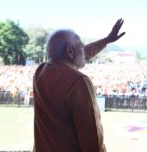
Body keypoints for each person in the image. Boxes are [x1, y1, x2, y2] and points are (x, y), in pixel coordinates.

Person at [33, 19, 125, 152]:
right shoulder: (79, 82)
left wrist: (106, 40)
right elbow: (92, 141)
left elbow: (79, 55)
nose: (84, 48)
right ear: (70, 51)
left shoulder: (40, 73)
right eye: (80, 45)